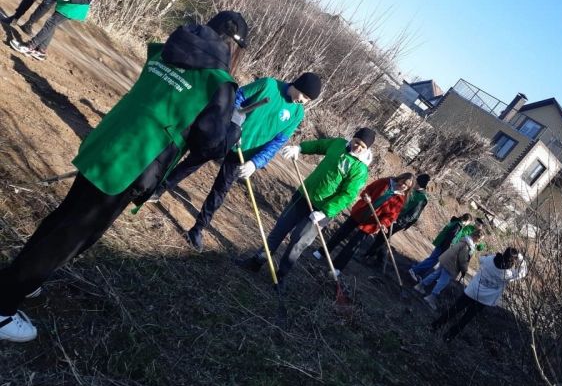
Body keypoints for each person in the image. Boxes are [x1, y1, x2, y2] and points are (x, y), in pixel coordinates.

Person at [0, 10, 248, 343]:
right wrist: (233, 128)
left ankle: (20, 278)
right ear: (235, 48)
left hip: (109, 141)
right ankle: (4, 308)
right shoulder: (218, 82)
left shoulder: (169, 49)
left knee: (66, 218)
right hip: (135, 160)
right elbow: (209, 145)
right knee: (73, 235)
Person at [147, 72, 322, 252]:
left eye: (308, 100)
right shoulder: (268, 85)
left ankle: (198, 229)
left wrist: (255, 163)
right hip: (225, 136)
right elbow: (235, 98)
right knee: (192, 163)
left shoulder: (297, 114)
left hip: (244, 153)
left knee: (220, 190)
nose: (304, 101)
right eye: (305, 95)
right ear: (298, 85)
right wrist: (235, 125)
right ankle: (158, 190)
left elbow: (277, 142)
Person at [241, 128, 375, 284]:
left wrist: (325, 211)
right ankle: (257, 261)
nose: (357, 147)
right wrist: (299, 148)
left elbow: (347, 195)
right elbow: (318, 146)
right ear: (353, 138)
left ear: (367, 149)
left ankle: (281, 276)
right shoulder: (338, 144)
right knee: (280, 229)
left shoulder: (360, 169)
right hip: (303, 196)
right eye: (357, 142)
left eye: (363, 147)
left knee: (298, 242)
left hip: (321, 211)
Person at [315, 172, 414, 275]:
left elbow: (391, 216)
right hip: (361, 212)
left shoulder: (400, 200)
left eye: (407, 186)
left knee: (353, 246)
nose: (403, 186)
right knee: (340, 234)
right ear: (400, 178)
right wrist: (366, 196)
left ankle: (337, 267)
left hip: (371, 223)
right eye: (403, 182)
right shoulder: (385, 182)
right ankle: (322, 252)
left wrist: (383, 223)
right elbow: (368, 190)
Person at [431, 247, 527, 342]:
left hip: (472, 291)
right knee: (466, 319)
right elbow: (522, 273)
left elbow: (481, 259)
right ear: (513, 261)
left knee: (454, 309)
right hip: (484, 299)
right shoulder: (508, 274)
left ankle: (435, 326)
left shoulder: (490, 260)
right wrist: (521, 259)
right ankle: (449, 336)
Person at [362, 172, 430, 263]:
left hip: (399, 221)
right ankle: (379, 259)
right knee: (382, 237)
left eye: (416, 183)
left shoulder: (422, 198)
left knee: (382, 237)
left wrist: (398, 221)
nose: (414, 185)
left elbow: (413, 215)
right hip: (393, 214)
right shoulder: (412, 190)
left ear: (420, 185)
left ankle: (369, 256)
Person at [414, 229, 483, 310]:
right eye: (480, 239)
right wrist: (464, 270)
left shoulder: (466, 240)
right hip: (451, 265)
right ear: (475, 237)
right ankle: (431, 297)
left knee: (436, 274)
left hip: (446, 259)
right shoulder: (467, 245)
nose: (480, 241)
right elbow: (463, 260)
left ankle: (420, 286)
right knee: (443, 281)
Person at [408, 213, 475, 282]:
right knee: (432, 260)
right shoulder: (458, 226)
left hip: (442, 244)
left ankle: (419, 274)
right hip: (443, 246)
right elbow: (450, 238)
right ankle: (414, 270)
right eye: (469, 222)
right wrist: (447, 249)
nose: (468, 224)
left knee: (432, 261)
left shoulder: (457, 223)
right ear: (467, 221)